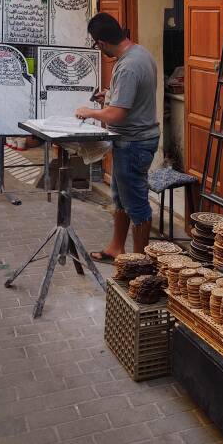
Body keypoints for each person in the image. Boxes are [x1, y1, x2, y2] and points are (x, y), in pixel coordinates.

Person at [75, 13, 159, 261]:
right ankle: (116, 247)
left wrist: (88, 111)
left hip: (134, 143)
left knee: (136, 204)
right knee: (121, 198)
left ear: (101, 43)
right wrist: (109, 96)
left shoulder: (129, 66)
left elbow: (117, 114)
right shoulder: (139, 53)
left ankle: (140, 264)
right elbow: (127, 99)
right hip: (133, 140)